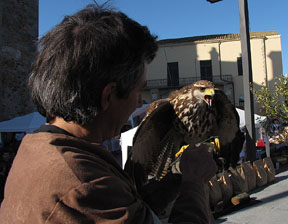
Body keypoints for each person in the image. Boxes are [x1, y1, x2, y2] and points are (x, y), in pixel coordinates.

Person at [0, 5, 217, 223]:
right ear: (109, 95)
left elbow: (132, 210)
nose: (140, 102)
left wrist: (177, 179)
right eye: (139, 90)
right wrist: (194, 182)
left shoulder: (39, 147)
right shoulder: (83, 183)